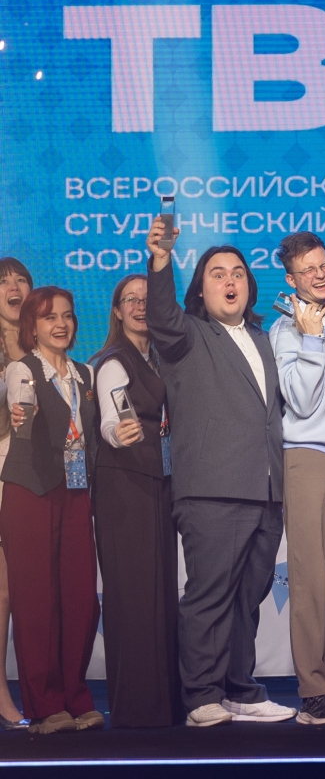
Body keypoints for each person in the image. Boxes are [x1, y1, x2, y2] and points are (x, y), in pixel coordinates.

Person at [145, 221, 295, 728]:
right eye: (217, 274)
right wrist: (161, 260)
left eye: (238, 273)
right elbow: (161, 315)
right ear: (201, 288)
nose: (230, 281)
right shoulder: (187, 335)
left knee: (246, 600)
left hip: (266, 490)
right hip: (212, 489)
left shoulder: (265, 339)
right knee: (209, 597)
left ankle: (239, 690)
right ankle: (201, 695)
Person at [269, 232, 325, 726]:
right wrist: (310, 338)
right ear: (291, 279)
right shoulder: (286, 329)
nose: (320, 274)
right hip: (306, 457)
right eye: (308, 270)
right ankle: (314, 691)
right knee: (311, 580)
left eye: (323, 264)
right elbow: (303, 403)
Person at [0, 287, 103, 734]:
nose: (60, 324)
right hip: (31, 492)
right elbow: (19, 404)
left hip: (76, 491)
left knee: (80, 598)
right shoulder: (22, 369)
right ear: (32, 326)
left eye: (67, 316)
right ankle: (44, 706)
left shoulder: (86, 373)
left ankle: (76, 697)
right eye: (48, 318)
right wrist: (21, 414)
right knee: (36, 600)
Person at [91, 274, 183, 727]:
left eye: (147, 299)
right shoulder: (114, 361)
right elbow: (112, 416)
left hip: (157, 483)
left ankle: (162, 703)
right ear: (117, 311)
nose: (140, 306)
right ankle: (136, 707)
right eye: (131, 300)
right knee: (133, 595)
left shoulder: (160, 358)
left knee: (159, 592)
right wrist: (117, 432)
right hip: (125, 488)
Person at [0, 257, 32, 731]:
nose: (13, 286)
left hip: (29, 477)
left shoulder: (42, 347)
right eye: (3, 280)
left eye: (20, 279)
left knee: (15, 589)